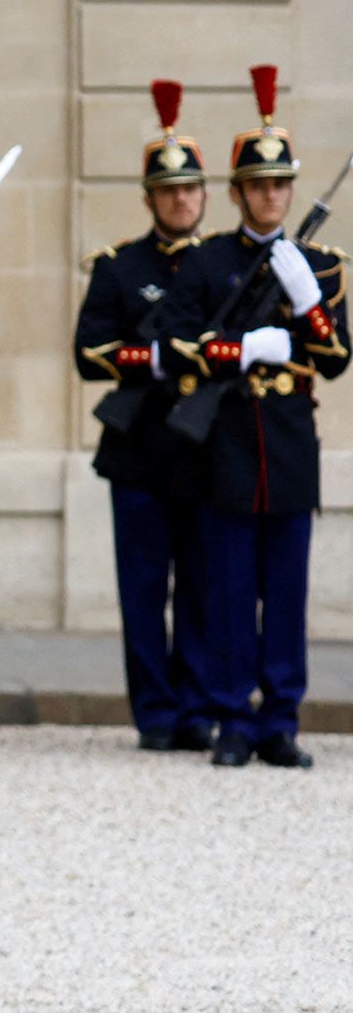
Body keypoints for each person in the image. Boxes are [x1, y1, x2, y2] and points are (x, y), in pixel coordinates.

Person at [159, 66, 349, 770]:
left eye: (282, 183)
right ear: (237, 191)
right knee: (232, 591)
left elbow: (334, 355)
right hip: (231, 448)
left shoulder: (321, 265)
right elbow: (178, 343)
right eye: (261, 183)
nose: (274, 193)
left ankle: (282, 719)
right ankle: (234, 717)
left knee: (287, 594)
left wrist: (310, 302)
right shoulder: (208, 260)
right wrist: (244, 348)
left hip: (291, 448)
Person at [73, 81, 214, 751]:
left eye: (190, 189)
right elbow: (88, 350)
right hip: (138, 449)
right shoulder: (120, 267)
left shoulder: (225, 267)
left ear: (206, 194)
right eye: (168, 190)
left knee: (204, 586)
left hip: (208, 450)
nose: (180, 199)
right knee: (142, 589)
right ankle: (155, 714)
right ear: (150, 196)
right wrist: (156, 358)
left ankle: (195, 706)